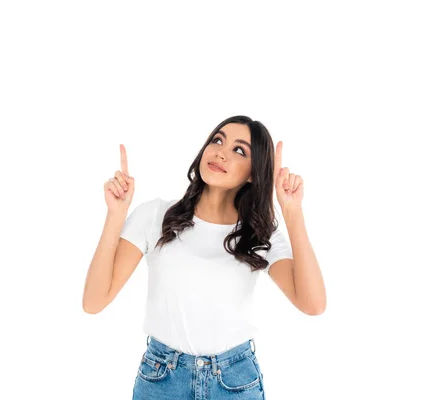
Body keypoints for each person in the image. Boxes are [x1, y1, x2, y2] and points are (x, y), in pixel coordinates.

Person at [82, 115, 326, 399]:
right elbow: (93, 302)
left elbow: (313, 304)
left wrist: (292, 211)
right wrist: (115, 215)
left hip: (234, 383)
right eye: (217, 140)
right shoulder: (155, 216)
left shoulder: (259, 234)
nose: (221, 151)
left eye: (239, 150)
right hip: (161, 380)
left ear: (253, 173)